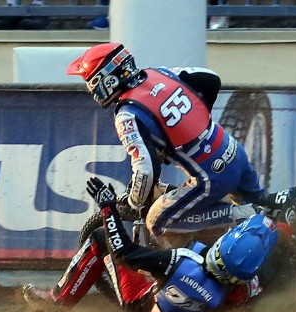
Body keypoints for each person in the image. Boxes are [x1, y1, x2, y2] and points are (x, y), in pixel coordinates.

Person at [66, 43, 266, 248]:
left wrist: (134, 202)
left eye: (91, 80)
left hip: (211, 177)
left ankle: (245, 215)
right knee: (271, 212)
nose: (91, 87)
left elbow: (146, 170)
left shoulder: (127, 113)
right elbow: (210, 78)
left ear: (107, 79)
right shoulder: (158, 73)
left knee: (158, 221)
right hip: (232, 148)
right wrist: (196, 118)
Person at [23, 177, 280, 312]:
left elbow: (124, 252)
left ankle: (58, 303)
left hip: (142, 303)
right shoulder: (249, 284)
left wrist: (108, 208)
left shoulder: (184, 262)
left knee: (101, 237)